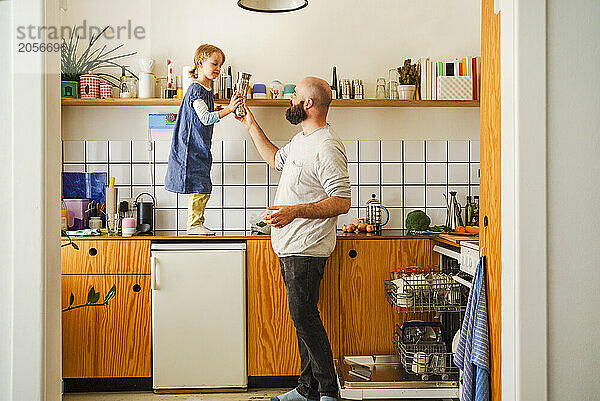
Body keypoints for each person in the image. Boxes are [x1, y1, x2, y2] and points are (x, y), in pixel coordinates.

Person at [236, 77, 351, 401]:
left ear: (309, 104)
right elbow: (274, 159)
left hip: (308, 248)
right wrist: (250, 124)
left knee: (304, 316)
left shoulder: (327, 145)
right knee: (302, 318)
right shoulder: (302, 140)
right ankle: (307, 389)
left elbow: (342, 201)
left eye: (295, 97)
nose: (290, 100)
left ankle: (328, 392)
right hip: (290, 246)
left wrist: (294, 212)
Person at [165, 44, 242, 235]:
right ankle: (194, 225)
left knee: (202, 185)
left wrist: (216, 108)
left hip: (198, 146)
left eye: (220, 65)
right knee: (200, 186)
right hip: (191, 147)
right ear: (200, 62)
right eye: (214, 63)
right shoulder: (196, 90)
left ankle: (196, 223)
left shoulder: (205, 91)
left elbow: (202, 113)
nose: (218, 69)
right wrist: (229, 109)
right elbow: (205, 118)